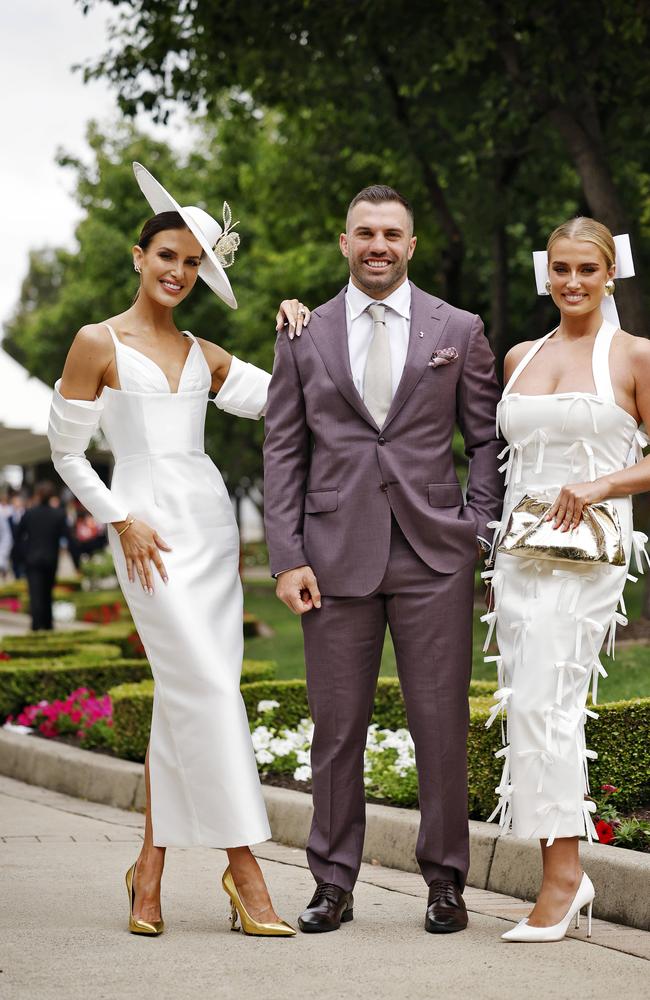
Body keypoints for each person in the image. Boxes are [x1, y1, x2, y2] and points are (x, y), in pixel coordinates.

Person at [48, 162, 300, 938]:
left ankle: (149, 873)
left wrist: (305, 322)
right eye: (168, 256)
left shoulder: (207, 354)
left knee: (189, 697)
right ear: (139, 256)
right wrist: (121, 519)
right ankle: (245, 870)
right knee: (210, 692)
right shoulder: (97, 342)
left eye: (194, 263)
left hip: (208, 525)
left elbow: (298, 391)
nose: (180, 272)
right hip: (145, 531)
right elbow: (67, 455)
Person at [263, 185, 504, 934]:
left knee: (440, 723)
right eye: (364, 232)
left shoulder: (457, 328)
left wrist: (478, 525)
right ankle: (332, 882)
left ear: (411, 245)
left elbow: (486, 439)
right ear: (344, 243)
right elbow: (283, 448)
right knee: (336, 728)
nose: (377, 244)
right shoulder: (303, 332)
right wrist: (285, 557)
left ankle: (445, 883)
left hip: (435, 554)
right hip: (334, 558)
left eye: (391, 233)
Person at [487, 217, 650, 942]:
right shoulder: (521, 354)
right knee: (525, 701)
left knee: (549, 702)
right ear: (545, 272)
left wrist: (599, 484)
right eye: (561, 269)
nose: (573, 282)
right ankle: (559, 869)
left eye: (587, 269)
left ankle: (562, 878)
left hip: (586, 555)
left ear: (610, 271)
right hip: (518, 555)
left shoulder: (636, 355)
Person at [16, 482, 69, 630]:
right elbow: (69, 539)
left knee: (36, 595)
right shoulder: (58, 514)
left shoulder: (29, 513)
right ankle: (47, 625)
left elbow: (18, 537)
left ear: (38, 495)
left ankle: (37, 626)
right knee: (47, 594)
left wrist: (22, 556)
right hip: (50, 560)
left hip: (32, 560)